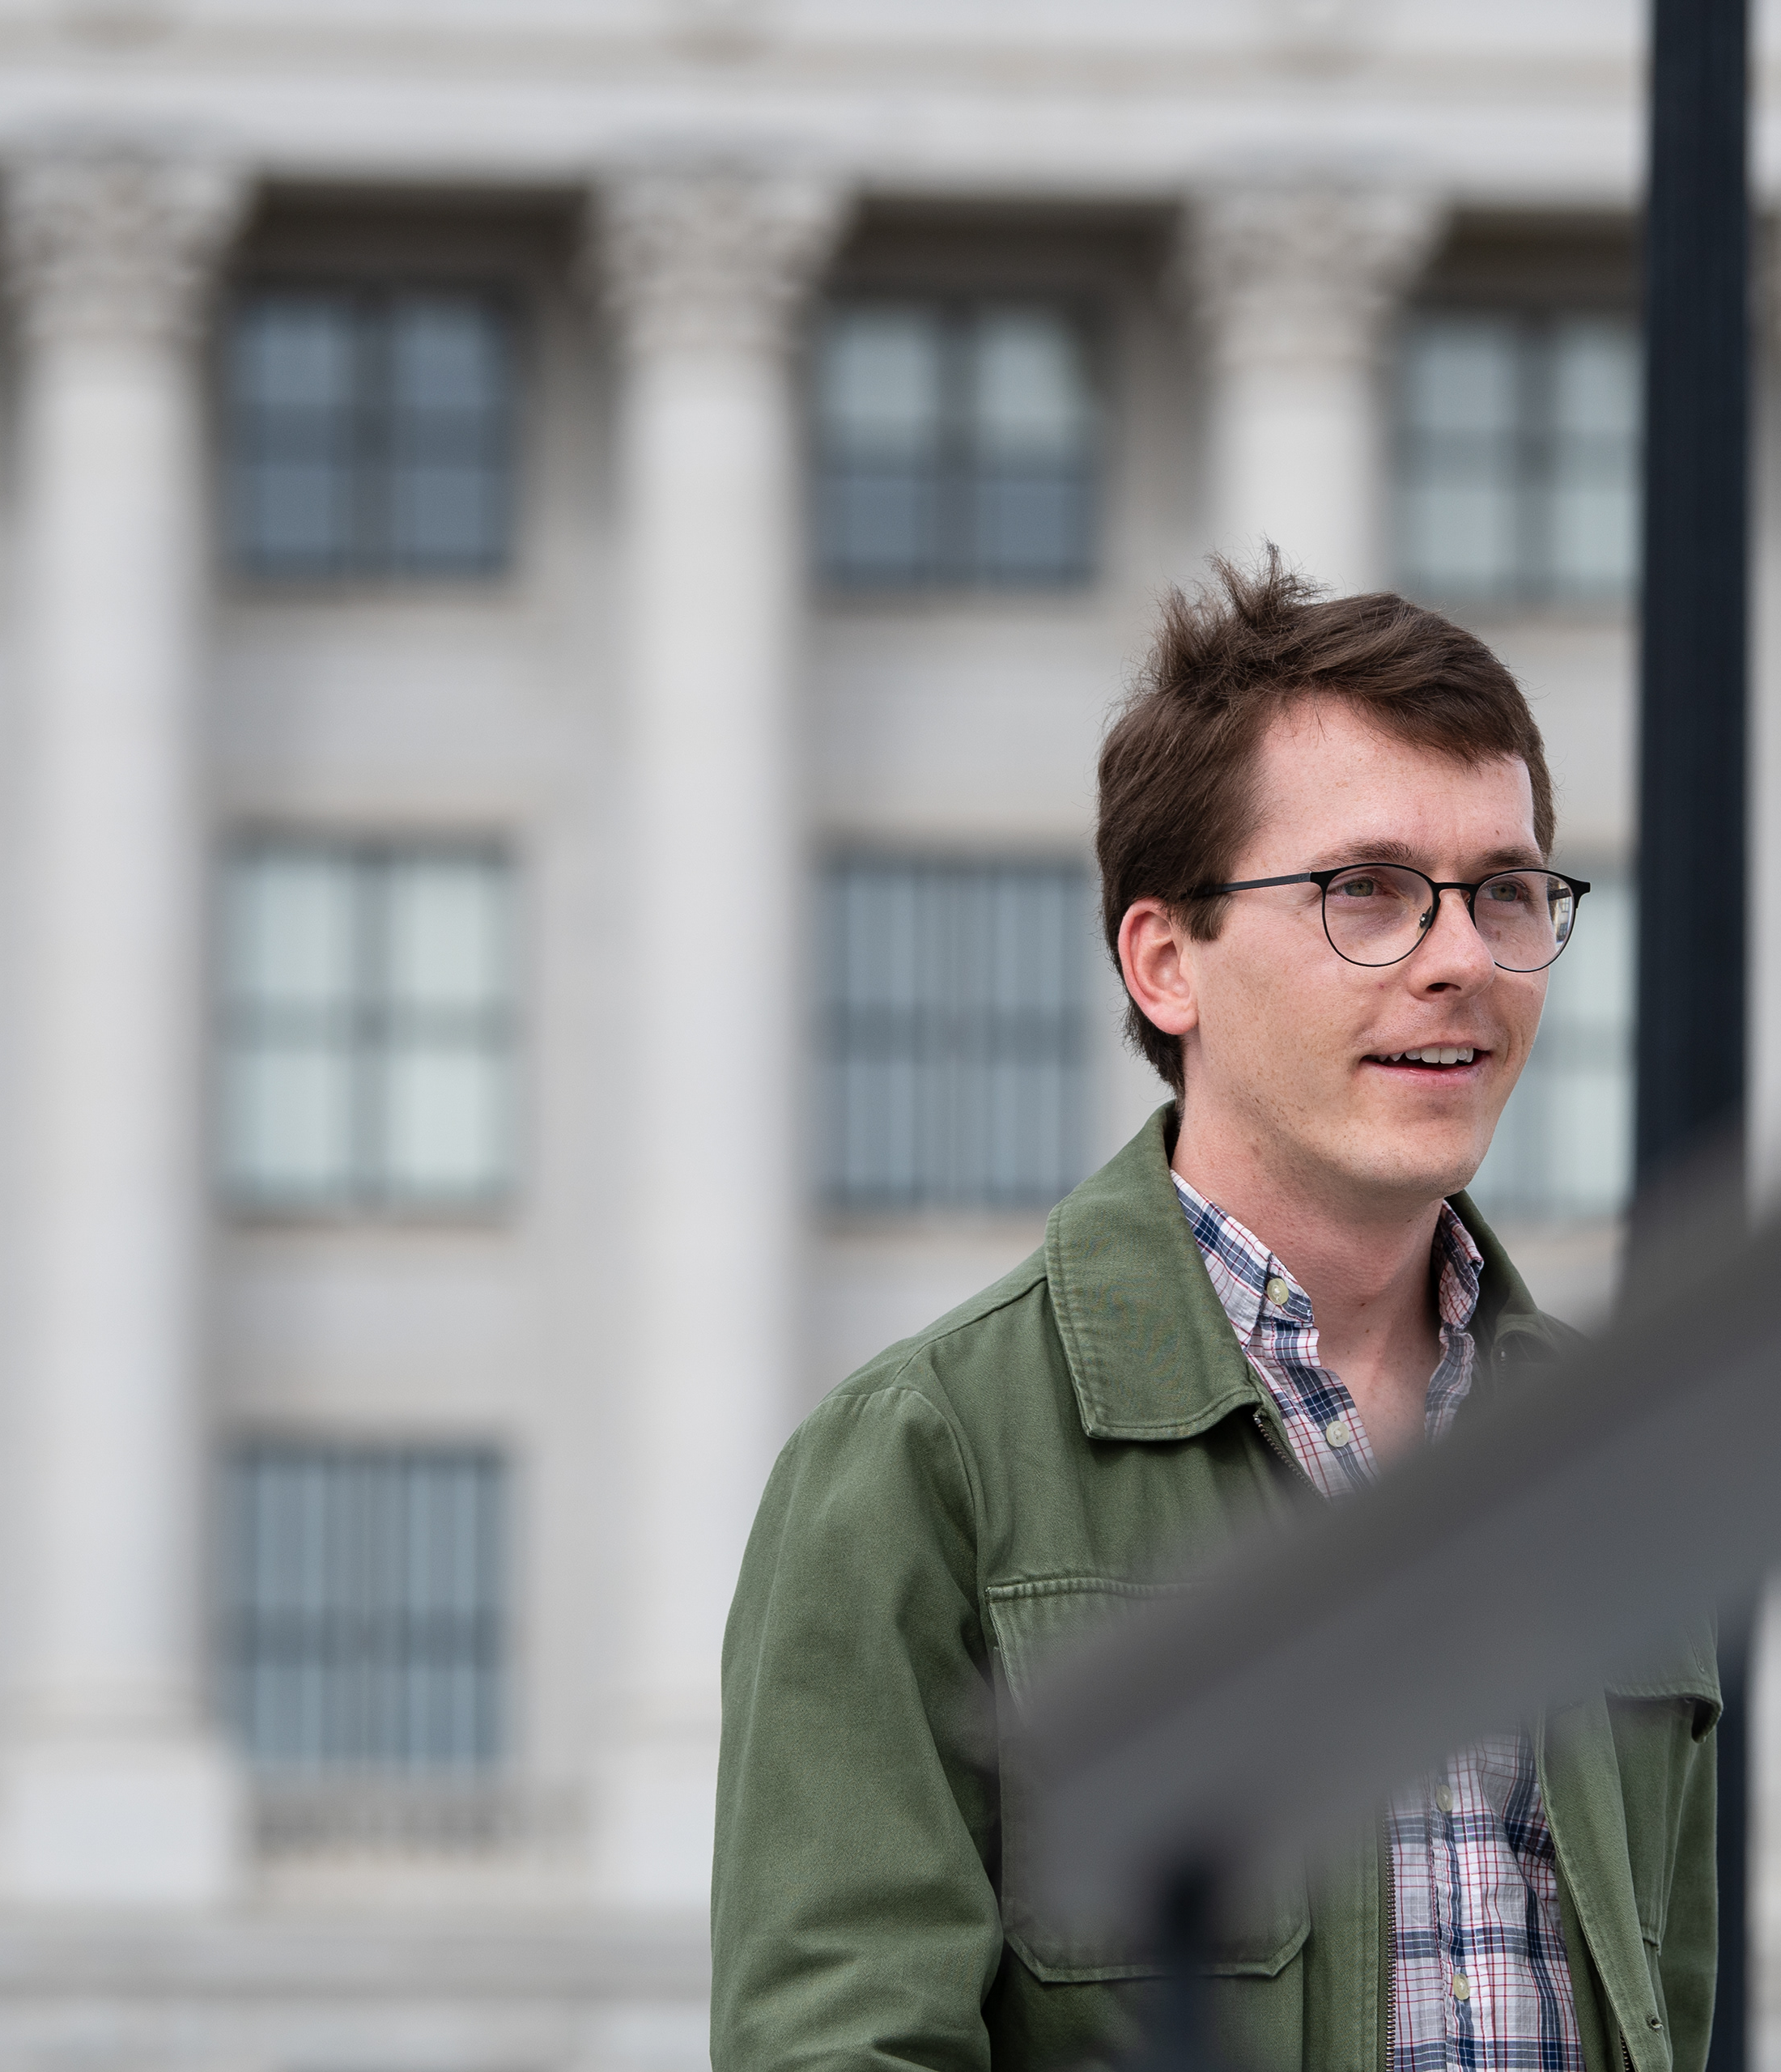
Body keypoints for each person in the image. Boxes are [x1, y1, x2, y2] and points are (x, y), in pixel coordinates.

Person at [711, 558, 1719, 2072]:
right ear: (1165, 959)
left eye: (1505, 891)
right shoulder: (921, 1463)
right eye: (1365, 892)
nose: (1460, 958)